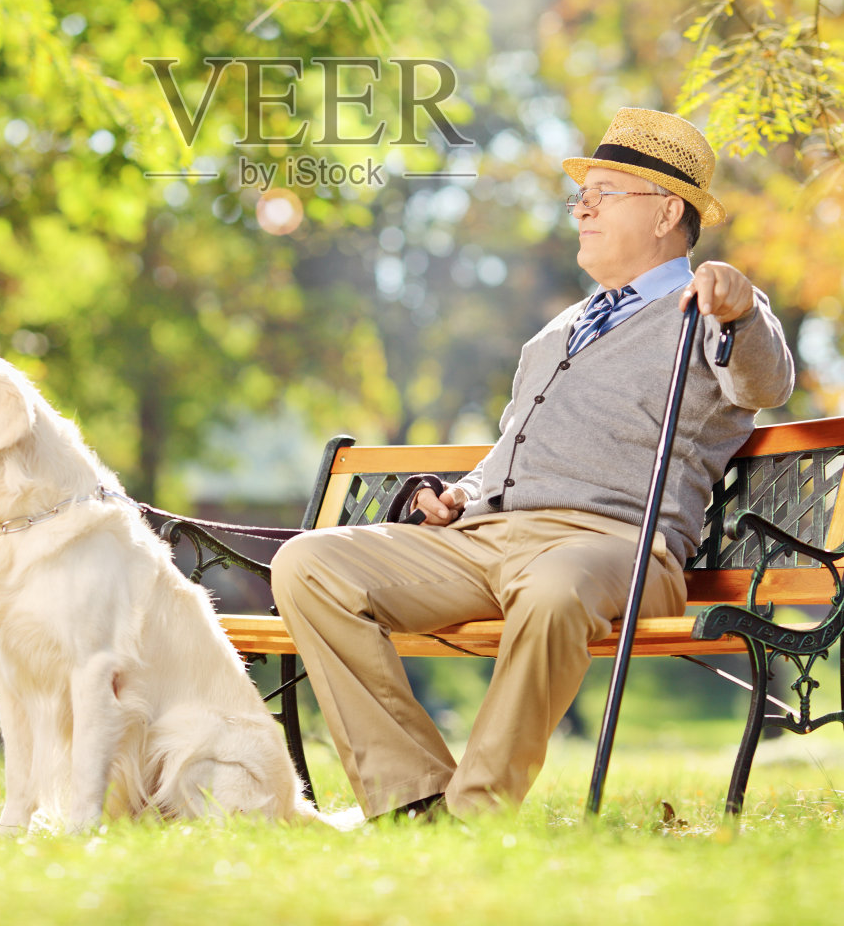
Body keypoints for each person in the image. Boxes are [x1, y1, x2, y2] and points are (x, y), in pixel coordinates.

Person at [271, 108, 795, 820]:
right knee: (310, 563)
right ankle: (411, 798)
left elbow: (763, 385)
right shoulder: (559, 328)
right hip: (486, 540)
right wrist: (460, 496)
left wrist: (740, 310)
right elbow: (512, 447)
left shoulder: (705, 307)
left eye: (606, 191)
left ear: (667, 210)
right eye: (583, 192)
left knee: (553, 585)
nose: (582, 205)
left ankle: (475, 812)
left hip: (617, 551)